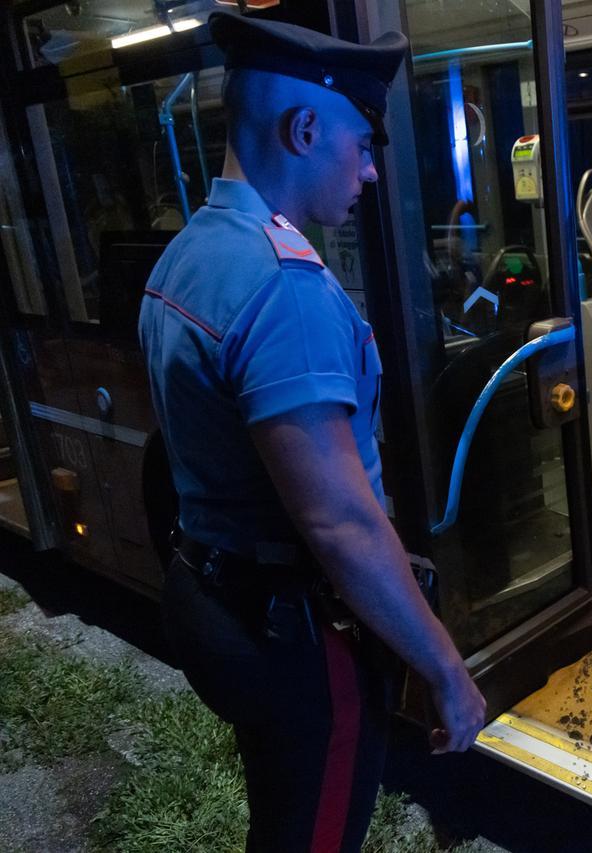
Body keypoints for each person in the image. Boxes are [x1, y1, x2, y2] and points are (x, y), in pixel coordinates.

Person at [138, 12, 486, 852]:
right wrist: (446, 669)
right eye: (361, 145)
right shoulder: (284, 288)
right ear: (303, 129)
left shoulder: (188, 254)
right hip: (296, 632)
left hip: (215, 598)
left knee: (285, 813)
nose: (369, 170)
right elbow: (340, 523)